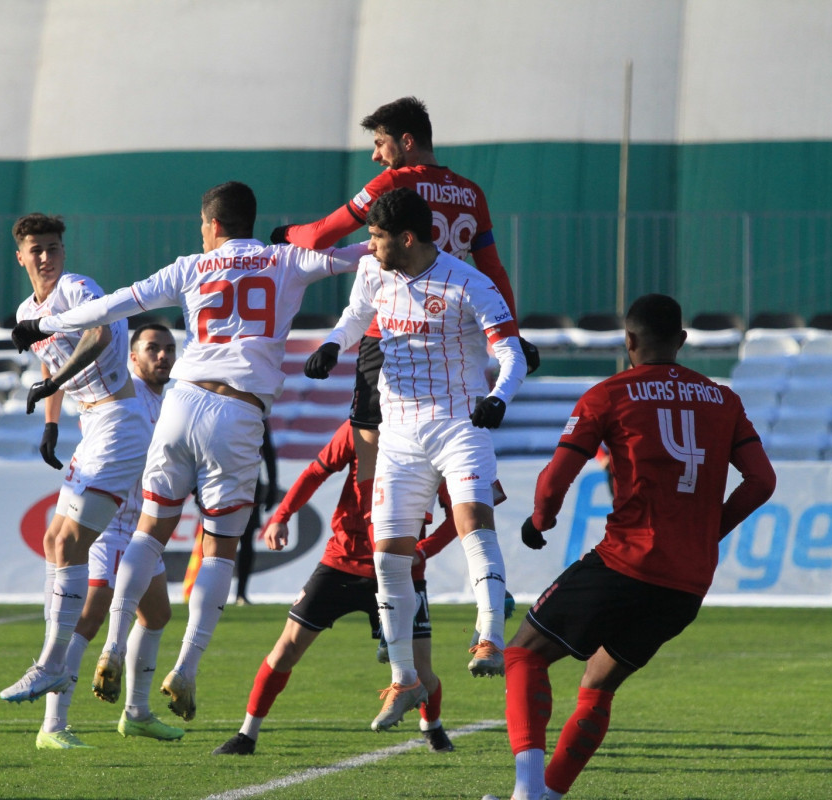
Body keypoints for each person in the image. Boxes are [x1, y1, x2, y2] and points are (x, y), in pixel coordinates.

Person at [11, 181, 369, 721]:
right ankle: (187, 667)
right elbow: (359, 256)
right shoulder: (287, 258)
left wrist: (45, 323)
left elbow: (114, 306)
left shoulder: (190, 266)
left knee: (150, 530)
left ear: (212, 224)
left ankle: (108, 648)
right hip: (240, 411)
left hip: (181, 403)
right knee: (221, 548)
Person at [275, 96, 537, 665]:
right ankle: (402, 661)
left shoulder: (396, 189)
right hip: (411, 371)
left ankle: (464, 618)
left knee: (423, 500)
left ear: (406, 142)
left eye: (381, 143)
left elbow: (322, 236)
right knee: (393, 543)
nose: (376, 156)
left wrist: (286, 233)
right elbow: (493, 268)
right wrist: (325, 345)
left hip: (435, 367)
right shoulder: (469, 193)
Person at [484, 294, 776, 800]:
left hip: (626, 561)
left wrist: (540, 521)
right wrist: (710, 530)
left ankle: (528, 793)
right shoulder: (724, 400)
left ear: (629, 341)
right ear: (682, 341)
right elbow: (762, 481)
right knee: (599, 682)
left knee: (523, 656)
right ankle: (549, 796)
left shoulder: (609, 394)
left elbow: (556, 477)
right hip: (686, 584)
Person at [304, 187, 527, 732]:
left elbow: (511, 352)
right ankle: (404, 678)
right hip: (398, 433)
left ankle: (489, 636)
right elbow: (355, 318)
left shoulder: (470, 284)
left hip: (459, 425)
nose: (368, 245)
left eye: (375, 237)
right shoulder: (373, 274)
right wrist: (333, 345)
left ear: (406, 238)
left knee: (473, 522)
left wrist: (499, 397)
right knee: (387, 559)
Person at [213, 420, 459, 756]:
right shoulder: (359, 428)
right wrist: (282, 515)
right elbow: (316, 472)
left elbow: (462, 512)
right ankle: (247, 734)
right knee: (286, 648)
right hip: (342, 560)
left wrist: (423, 550)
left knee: (422, 671)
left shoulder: (431, 436)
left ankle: (432, 728)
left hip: (401, 569)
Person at [0, 213, 155, 708]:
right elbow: (49, 358)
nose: (46, 257)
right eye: (36, 250)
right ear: (20, 256)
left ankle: (51, 665)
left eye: (53, 247)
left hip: (121, 422)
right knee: (54, 540)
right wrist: (50, 422)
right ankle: (57, 670)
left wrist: (52, 381)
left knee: (68, 543)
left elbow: (99, 335)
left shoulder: (77, 287)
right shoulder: (29, 308)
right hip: (92, 424)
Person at [31, 322, 185, 748]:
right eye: (153, 348)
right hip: (110, 524)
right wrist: (52, 423)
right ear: (132, 357)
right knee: (86, 618)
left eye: (169, 349)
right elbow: (68, 368)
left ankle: (136, 713)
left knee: (156, 617)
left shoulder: (169, 400)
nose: (163, 356)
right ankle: (52, 726)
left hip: (143, 528)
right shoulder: (123, 396)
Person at [233, 420, 277, 606]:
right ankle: (209, 591)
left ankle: (241, 593)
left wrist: (272, 485)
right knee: (214, 540)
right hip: (220, 481)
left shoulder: (256, 410)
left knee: (247, 540)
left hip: (250, 484)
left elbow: (268, 449)